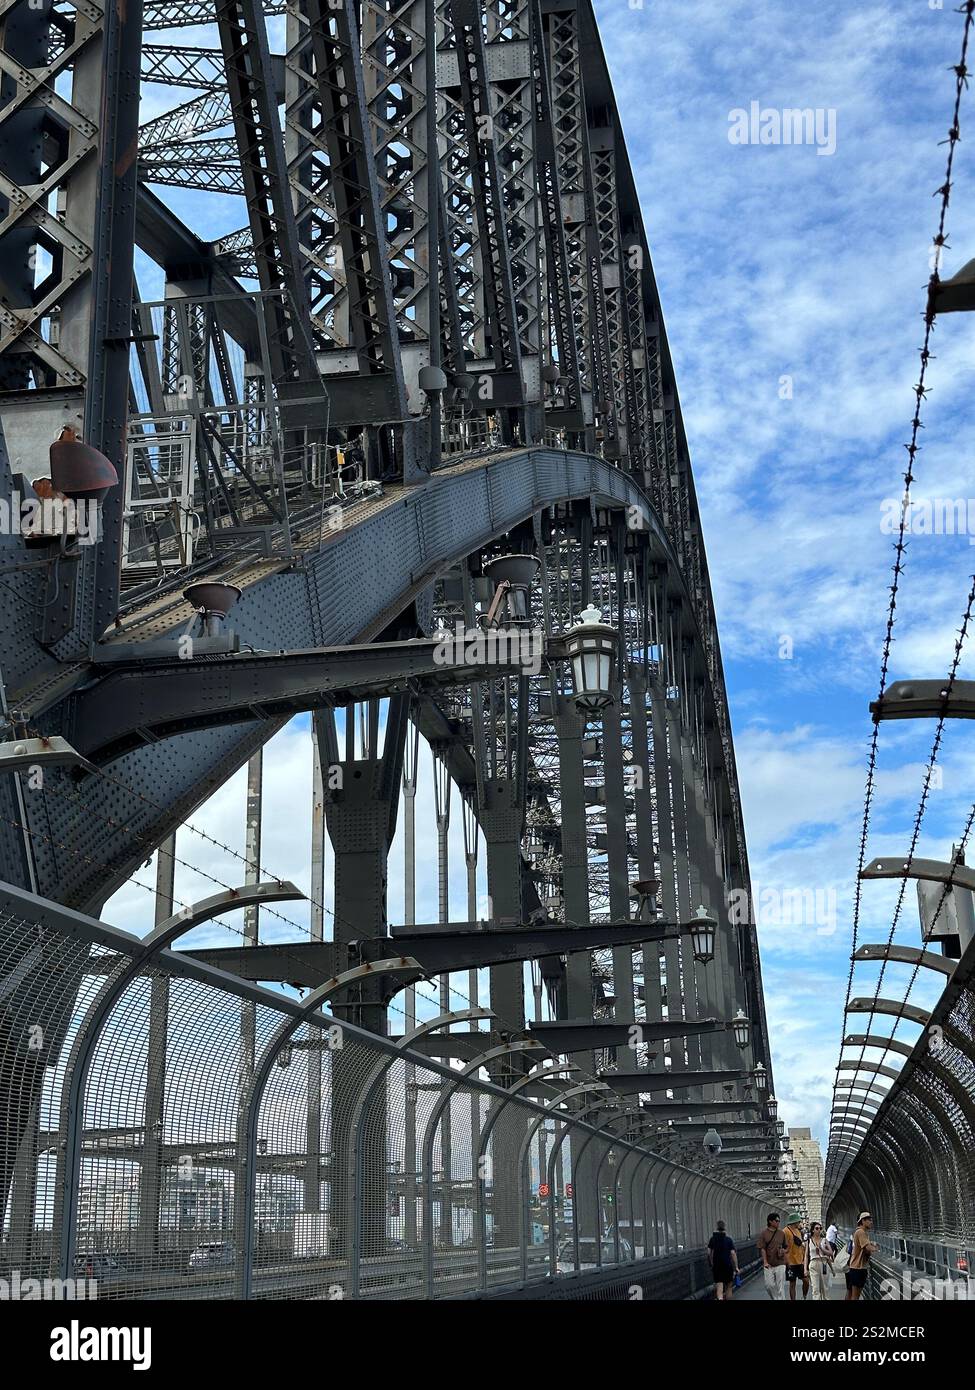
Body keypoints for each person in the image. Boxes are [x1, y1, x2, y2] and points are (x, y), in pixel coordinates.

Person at [845, 1212, 878, 1301]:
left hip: (854, 1267)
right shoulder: (861, 1232)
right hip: (858, 1268)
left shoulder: (859, 1232)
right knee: (855, 1296)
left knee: (850, 1294)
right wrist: (876, 1248)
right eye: (869, 1220)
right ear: (863, 1221)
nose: (871, 1222)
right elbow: (868, 1248)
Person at [756, 1211, 787, 1300]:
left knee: (780, 1287)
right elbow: (762, 1248)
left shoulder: (781, 1233)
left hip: (780, 1263)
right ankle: (775, 1298)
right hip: (769, 1264)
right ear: (770, 1221)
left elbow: (786, 1247)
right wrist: (765, 1261)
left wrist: (783, 1251)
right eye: (776, 1221)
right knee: (769, 1286)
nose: (778, 1223)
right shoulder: (764, 1233)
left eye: (779, 1221)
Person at [707, 1220, 739, 1301]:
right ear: (725, 1228)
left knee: (719, 1286)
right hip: (727, 1265)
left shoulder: (712, 1239)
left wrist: (711, 1263)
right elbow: (733, 1253)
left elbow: (709, 1252)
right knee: (728, 1287)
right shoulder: (728, 1240)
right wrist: (736, 1267)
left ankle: (720, 1298)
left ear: (717, 1227)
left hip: (717, 1266)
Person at [805, 1221, 834, 1300]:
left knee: (825, 1288)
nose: (819, 1230)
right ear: (813, 1230)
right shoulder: (809, 1241)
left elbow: (831, 1253)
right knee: (815, 1289)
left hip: (823, 1263)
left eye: (820, 1228)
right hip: (813, 1264)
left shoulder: (824, 1240)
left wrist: (822, 1249)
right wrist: (805, 1269)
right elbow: (806, 1256)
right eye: (817, 1228)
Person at [783, 1212, 809, 1301]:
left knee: (806, 1280)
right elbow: (784, 1246)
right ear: (794, 1222)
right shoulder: (785, 1231)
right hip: (791, 1262)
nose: (800, 1223)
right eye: (798, 1221)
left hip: (800, 1261)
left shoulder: (798, 1231)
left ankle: (804, 1296)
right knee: (792, 1283)